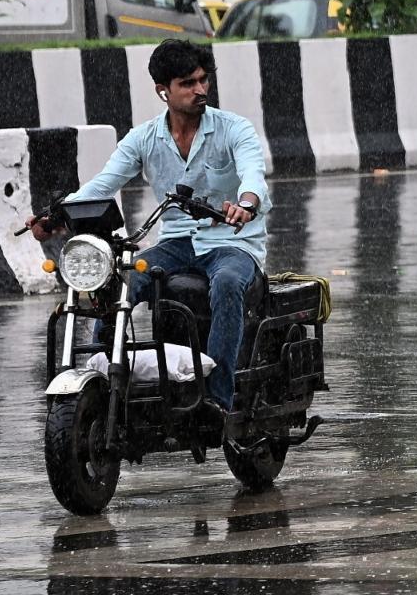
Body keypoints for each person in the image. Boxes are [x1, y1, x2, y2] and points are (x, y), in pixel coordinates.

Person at [28, 39, 270, 416]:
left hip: (232, 243)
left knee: (226, 283)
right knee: (119, 283)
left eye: (204, 80)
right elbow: (103, 184)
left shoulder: (234, 129)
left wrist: (245, 204)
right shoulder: (144, 138)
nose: (201, 90)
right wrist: (55, 216)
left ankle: (217, 399)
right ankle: (109, 385)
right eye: (188, 83)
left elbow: (253, 173)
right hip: (174, 244)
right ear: (163, 90)